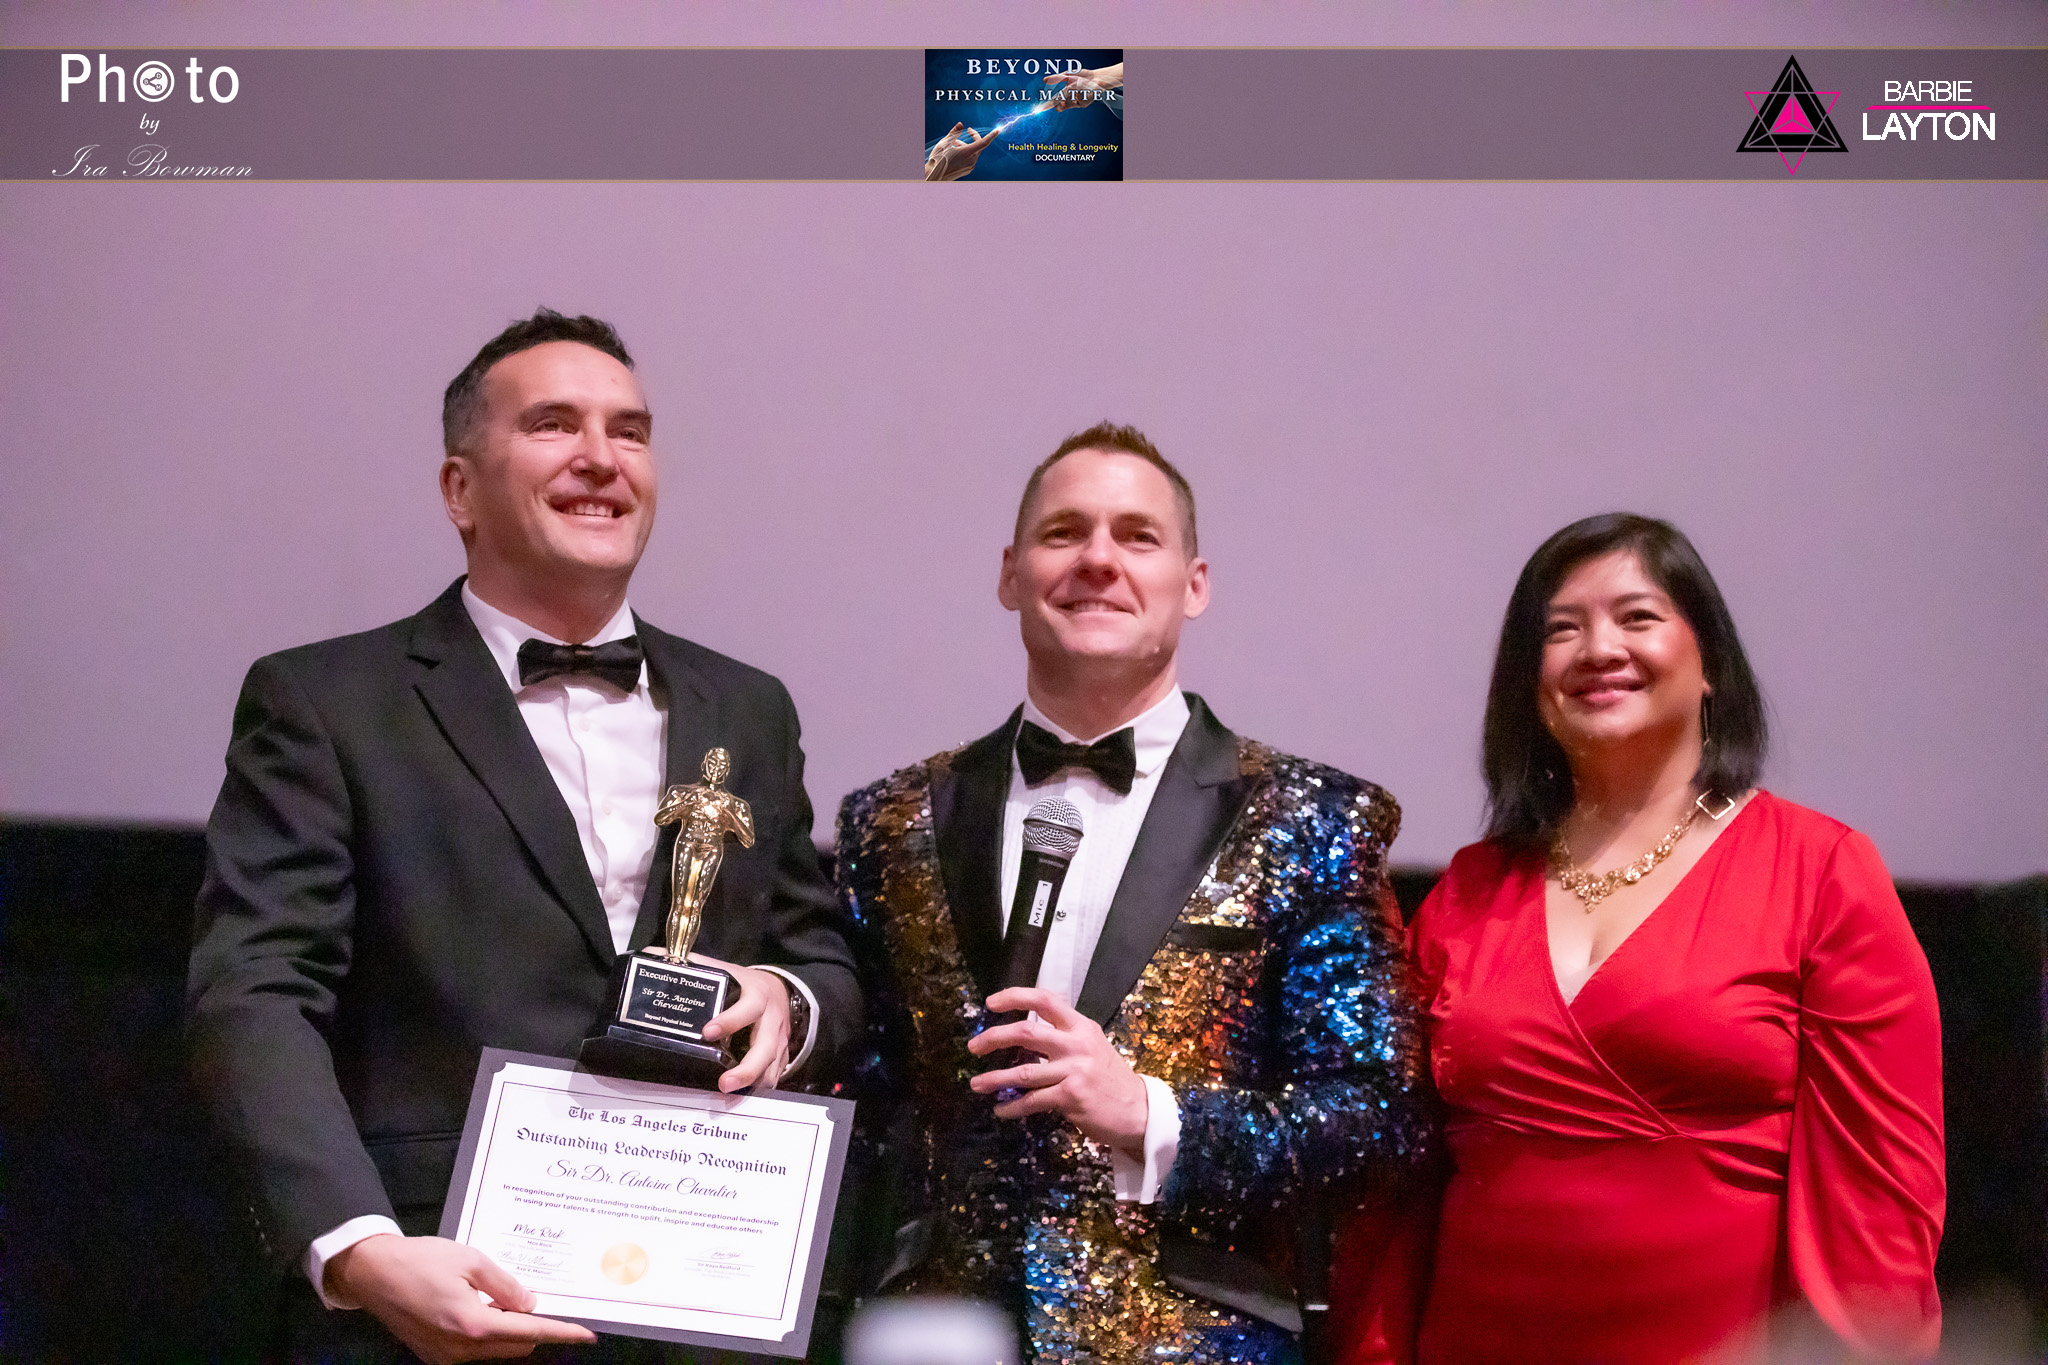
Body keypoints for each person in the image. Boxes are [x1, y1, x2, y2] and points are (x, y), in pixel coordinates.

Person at [186, 308, 859, 1364]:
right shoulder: (327, 701)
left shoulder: (748, 708)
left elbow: (817, 957)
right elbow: (255, 990)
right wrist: (358, 1248)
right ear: (459, 489)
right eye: (553, 424)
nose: (600, 457)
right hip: (431, 1292)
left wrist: (789, 998)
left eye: (629, 431)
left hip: (695, 1298)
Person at [836, 423, 1434, 1362]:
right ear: (1011, 574)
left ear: (1194, 584)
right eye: (1063, 532)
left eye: (1137, 535)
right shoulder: (889, 820)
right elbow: (861, 1102)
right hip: (941, 1336)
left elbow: (1380, 1118)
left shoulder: (1314, 817)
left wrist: (1152, 1115)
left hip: (1197, 1343)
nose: (1098, 558)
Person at [1332, 513, 1943, 1363]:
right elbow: (1398, 1187)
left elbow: (1880, 1200)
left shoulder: (1820, 871)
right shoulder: (1468, 892)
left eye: (1637, 617)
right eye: (1561, 629)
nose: (1598, 648)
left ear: (1710, 665)